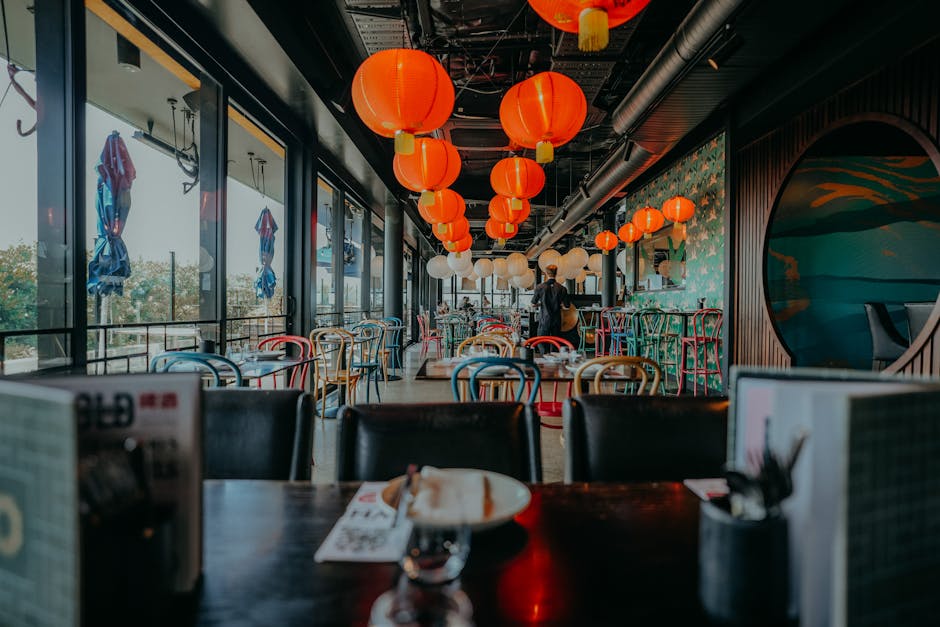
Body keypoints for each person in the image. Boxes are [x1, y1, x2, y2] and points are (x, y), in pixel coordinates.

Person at [530, 265, 571, 338]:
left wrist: (541, 303)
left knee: (542, 341)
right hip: (556, 320)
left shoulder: (540, 287)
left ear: (546, 273)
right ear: (556, 273)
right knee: (555, 342)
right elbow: (567, 307)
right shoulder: (562, 288)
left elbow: (533, 304)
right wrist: (560, 304)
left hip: (544, 319)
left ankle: (544, 350)